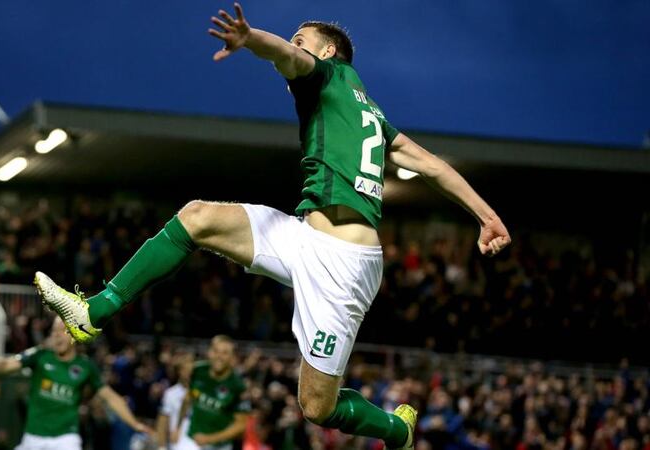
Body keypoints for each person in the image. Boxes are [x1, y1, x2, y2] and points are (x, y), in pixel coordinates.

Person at [35, 3, 511, 449]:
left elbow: (284, 54)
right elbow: (432, 165)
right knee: (197, 216)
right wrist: (486, 214)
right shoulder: (371, 113)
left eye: (301, 38)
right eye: (293, 38)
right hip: (303, 235)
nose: (294, 44)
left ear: (327, 51)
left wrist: (249, 38)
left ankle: (395, 429)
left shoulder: (327, 76)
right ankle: (93, 312)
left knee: (316, 406)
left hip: (344, 267)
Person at [0, 317, 152, 450]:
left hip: (66, 439)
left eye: (63, 330)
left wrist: (135, 424)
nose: (57, 335)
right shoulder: (40, 355)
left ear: (75, 335)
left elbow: (110, 397)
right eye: (54, 331)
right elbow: (7, 366)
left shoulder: (86, 366)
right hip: (33, 437)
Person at [173, 335, 249, 450]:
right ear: (209, 352)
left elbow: (241, 425)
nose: (219, 356)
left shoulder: (238, 386)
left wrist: (210, 439)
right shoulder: (198, 371)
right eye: (215, 351)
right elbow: (188, 398)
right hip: (191, 440)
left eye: (225, 353)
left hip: (220, 446)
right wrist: (178, 427)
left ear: (232, 357)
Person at [156, 352, 194, 449]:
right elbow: (163, 421)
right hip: (177, 443)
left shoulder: (203, 392)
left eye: (191, 369)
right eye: (185, 369)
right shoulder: (170, 394)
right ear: (179, 371)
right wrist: (161, 446)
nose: (189, 373)